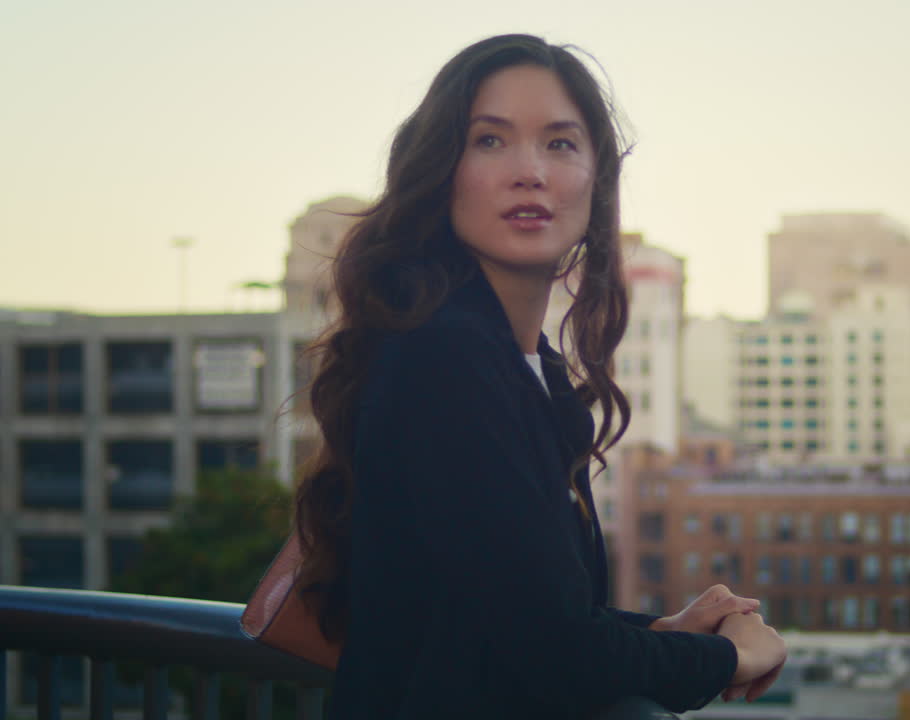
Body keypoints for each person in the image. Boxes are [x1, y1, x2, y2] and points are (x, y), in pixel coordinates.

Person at [291, 34, 786, 719]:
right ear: (441, 172)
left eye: (560, 144)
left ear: (596, 180)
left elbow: (519, 616)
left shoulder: (530, 369)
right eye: (489, 141)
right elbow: (558, 657)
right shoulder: (444, 358)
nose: (530, 172)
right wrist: (732, 657)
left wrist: (659, 635)